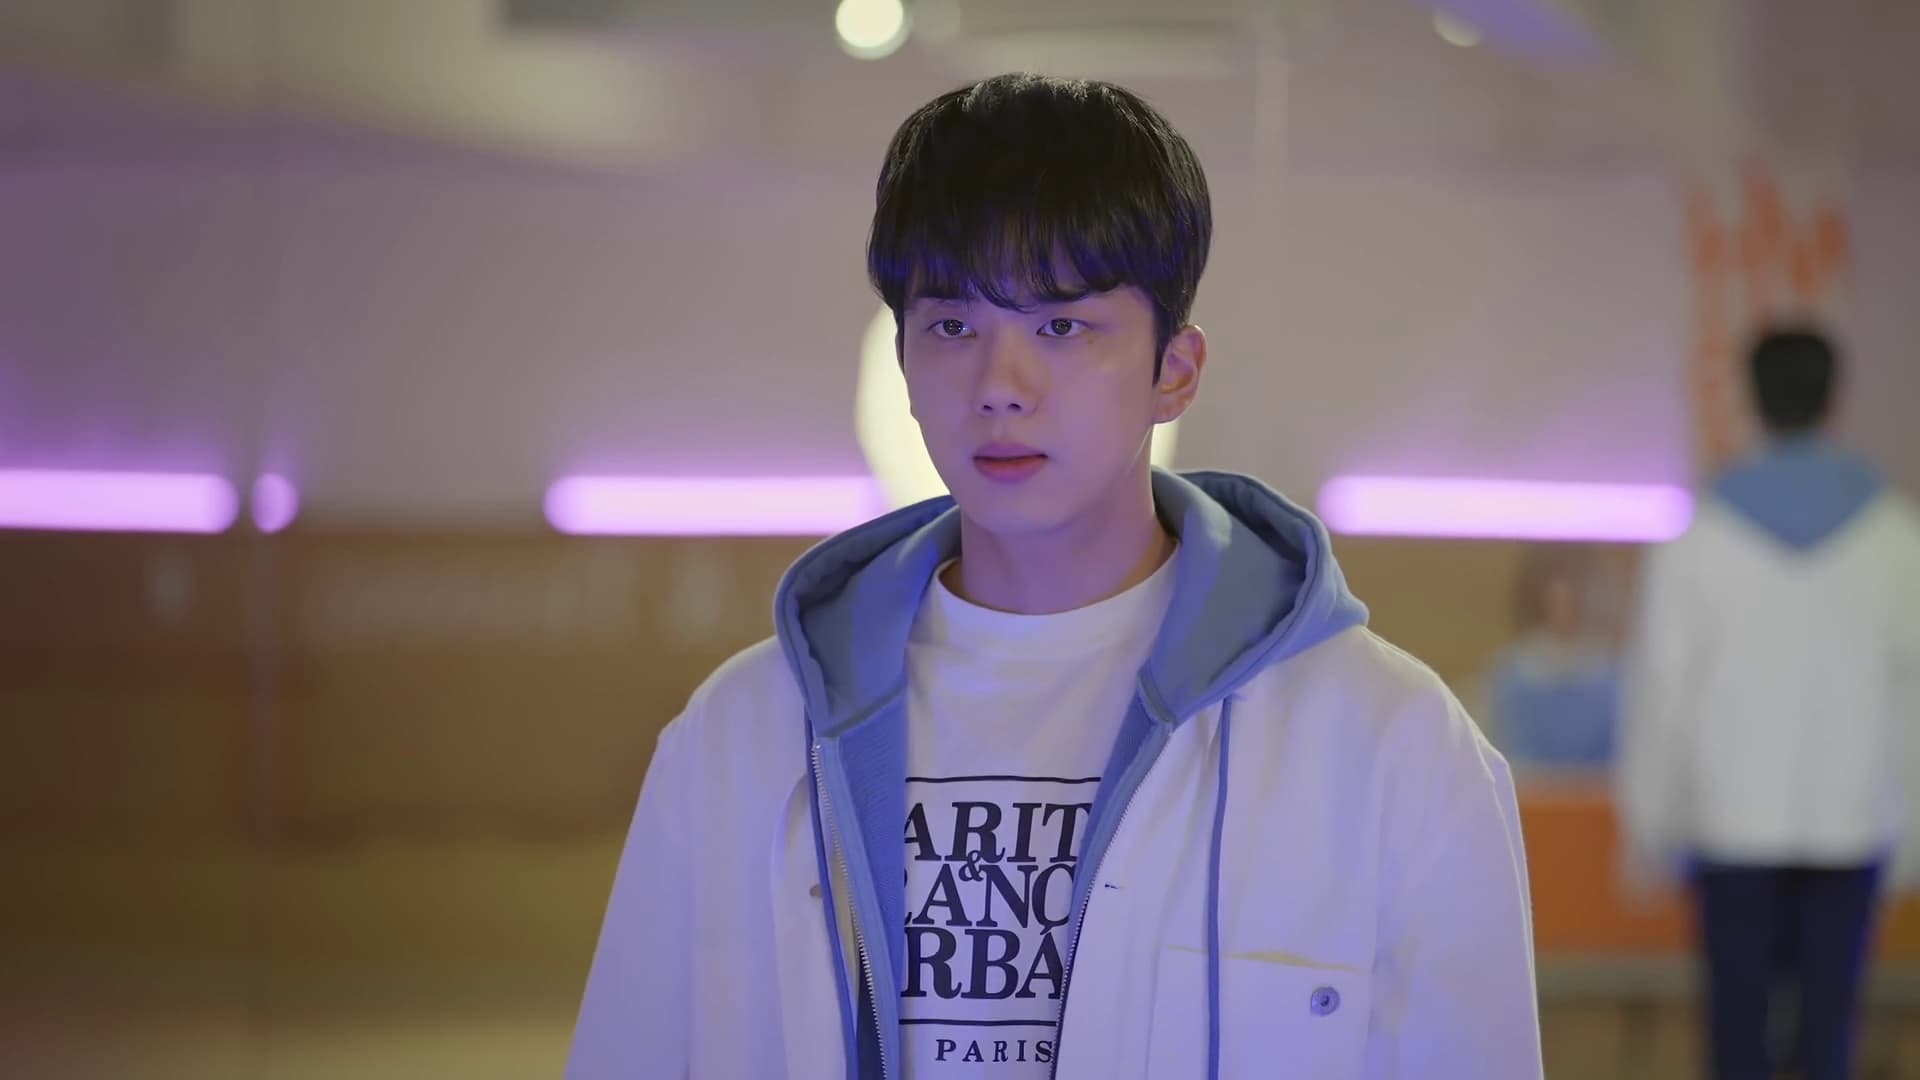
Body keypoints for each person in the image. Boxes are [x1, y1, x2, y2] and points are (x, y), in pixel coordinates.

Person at [568, 73, 1541, 1079]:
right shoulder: (742, 736)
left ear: (1175, 371)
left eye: (1062, 327)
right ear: (903, 363)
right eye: (953, 327)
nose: (1001, 386)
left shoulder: (1388, 745)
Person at [1618, 326, 1920, 1080]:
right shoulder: (1895, 538)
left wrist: (1650, 828)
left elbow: (1662, 693)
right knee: (1829, 1035)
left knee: (1735, 1033)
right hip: (1854, 823)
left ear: (1750, 399)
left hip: (1730, 826)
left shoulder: (1699, 537)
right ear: (1835, 398)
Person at [1485, 547, 1622, 771]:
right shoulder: (1510, 676)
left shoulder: (1613, 678)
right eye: (1557, 590)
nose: (1565, 601)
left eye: (1575, 588)